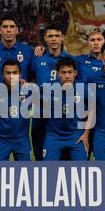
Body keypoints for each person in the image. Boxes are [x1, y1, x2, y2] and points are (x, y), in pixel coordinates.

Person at [30, 22, 74, 160]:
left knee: (64, 155)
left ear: (62, 38)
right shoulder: (37, 58)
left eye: (57, 36)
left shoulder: (71, 60)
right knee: (39, 153)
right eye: (50, 36)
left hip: (62, 111)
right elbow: (27, 77)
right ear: (45, 38)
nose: (54, 39)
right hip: (41, 111)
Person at [43, 57, 89, 160]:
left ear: (75, 73)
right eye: (63, 72)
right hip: (54, 136)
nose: (67, 76)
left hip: (76, 135)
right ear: (58, 73)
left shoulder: (83, 89)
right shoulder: (48, 88)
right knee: (47, 171)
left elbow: (92, 111)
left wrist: (86, 133)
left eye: (70, 72)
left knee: (83, 171)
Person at [0, 60, 31, 161]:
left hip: (22, 140)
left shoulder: (29, 91)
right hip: (1, 140)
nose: (11, 76)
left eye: (15, 73)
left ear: (20, 75)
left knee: (25, 173)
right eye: (8, 73)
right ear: (2, 75)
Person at [0, 15, 33, 83]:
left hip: (21, 93)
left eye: (12, 27)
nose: (8, 30)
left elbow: (34, 76)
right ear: (0, 30)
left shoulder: (28, 51)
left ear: (16, 30)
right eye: (5, 27)